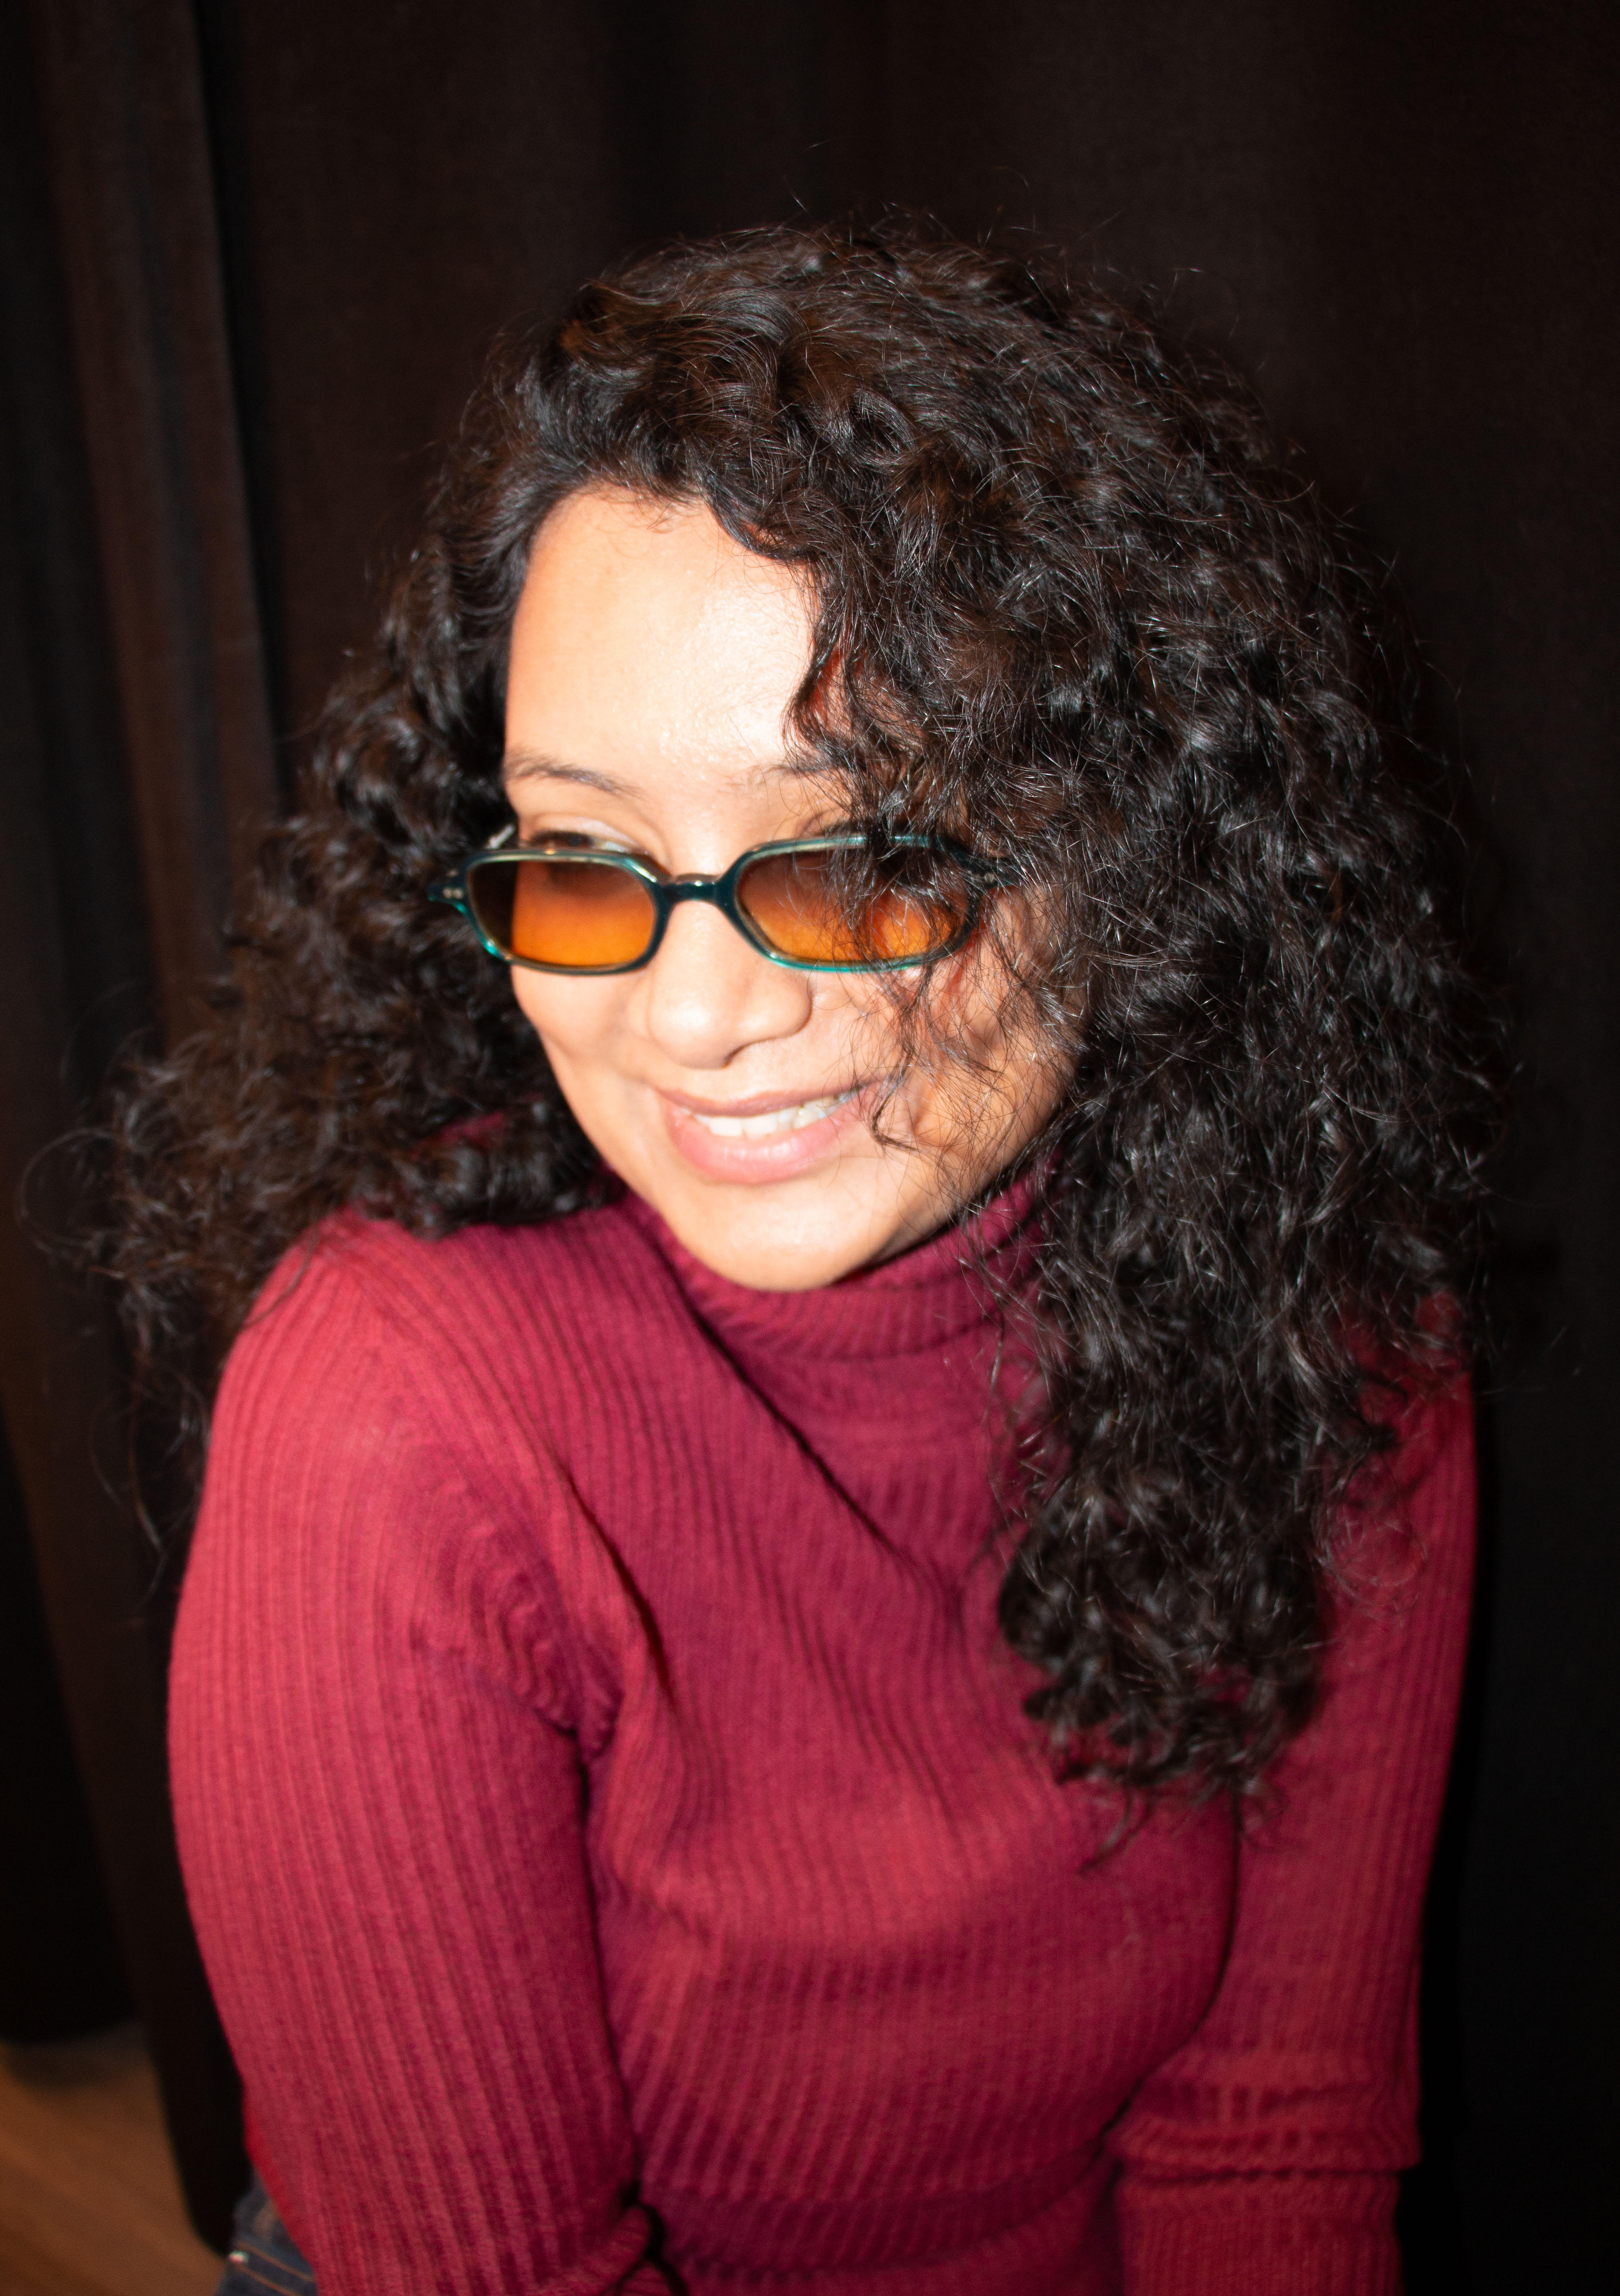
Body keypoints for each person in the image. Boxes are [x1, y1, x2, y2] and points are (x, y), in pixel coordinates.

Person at [114, 224, 1491, 2295]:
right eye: (584, 866)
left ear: (1127, 840)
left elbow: (1264, 2141)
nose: (684, 1020)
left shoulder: (1329, 1342)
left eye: (856, 862)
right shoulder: (397, 1427)